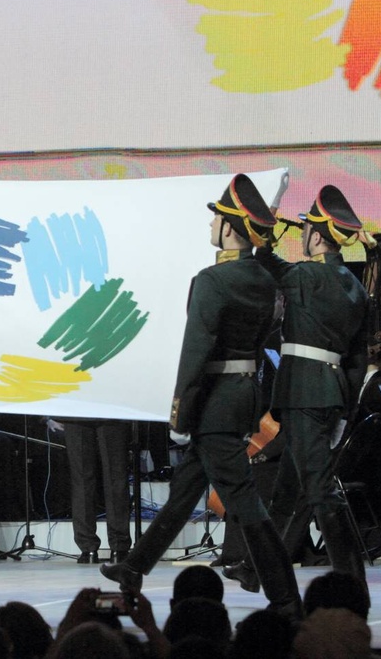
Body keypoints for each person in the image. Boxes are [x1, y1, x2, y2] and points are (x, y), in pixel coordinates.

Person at [100, 174, 301, 616]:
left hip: (215, 401)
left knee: (243, 498)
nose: (211, 225)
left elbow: (195, 353)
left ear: (229, 228)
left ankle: (285, 597)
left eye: (217, 219)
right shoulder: (265, 281)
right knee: (185, 489)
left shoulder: (212, 280)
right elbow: (262, 339)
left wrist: (181, 415)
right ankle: (134, 567)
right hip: (243, 395)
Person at [253, 185, 370, 583]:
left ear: (317, 236)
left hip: (303, 392)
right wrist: (346, 410)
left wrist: (270, 213)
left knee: (320, 490)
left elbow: (263, 256)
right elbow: (357, 361)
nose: (302, 234)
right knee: (287, 489)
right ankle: (258, 567)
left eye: (306, 228)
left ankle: (351, 575)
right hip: (330, 394)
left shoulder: (305, 276)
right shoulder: (355, 286)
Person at [57, 419, 131, 563]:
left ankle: (88, 549)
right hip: (111, 411)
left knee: (82, 480)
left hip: (79, 412)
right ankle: (118, 548)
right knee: (115, 477)